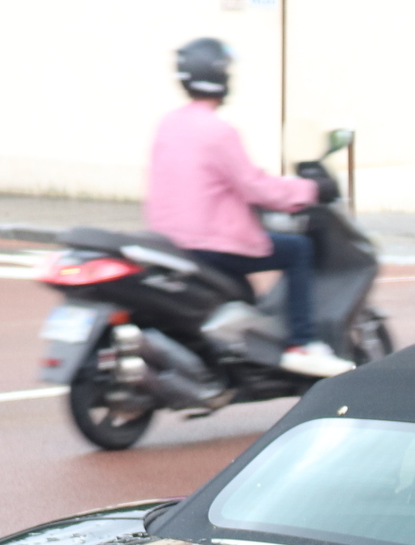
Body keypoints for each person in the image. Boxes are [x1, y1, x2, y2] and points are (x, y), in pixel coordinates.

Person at [143, 38, 352, 380]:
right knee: (298, 249)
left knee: (251, 281)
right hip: (211, 243)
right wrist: (312, 188)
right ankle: (303, 342)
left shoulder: (169, 124)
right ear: (220, 77)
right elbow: (255, 187)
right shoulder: (218, 131)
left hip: (169, 241)